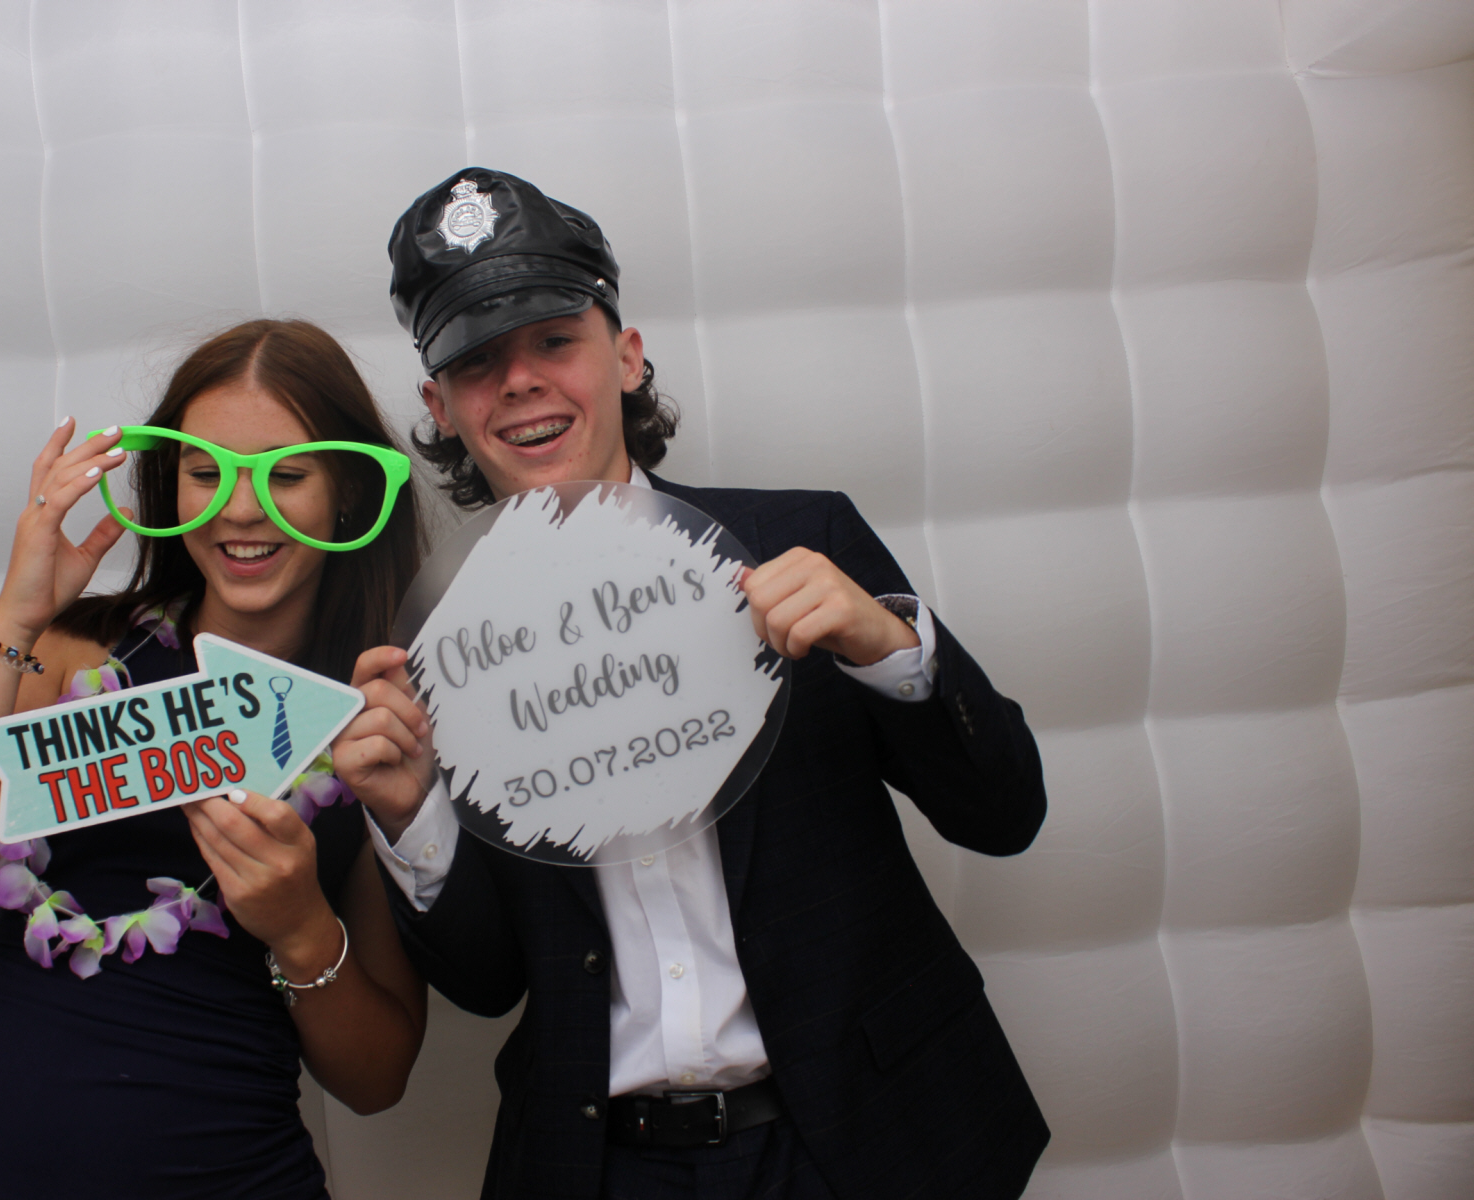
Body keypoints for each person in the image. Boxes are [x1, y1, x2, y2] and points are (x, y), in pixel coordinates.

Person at [331, 170, 1051, 1199]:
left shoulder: (801, 541)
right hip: (604, 1165)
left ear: (626, 356)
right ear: (440, 408)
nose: (520, 381)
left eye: (554, 340)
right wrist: (413, 821)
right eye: (477, 362)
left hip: (869, 1139)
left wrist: (887, 645)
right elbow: (488, 984)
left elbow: (1005, 812)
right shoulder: (439, 658)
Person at [0, 319, 428, 1199]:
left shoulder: (377, 724)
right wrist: (16, 616)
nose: (241, 509)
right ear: (169, 484)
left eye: (286, 474)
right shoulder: (76, 652)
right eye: (205, 472)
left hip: (225, 1169)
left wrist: (301, 926)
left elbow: (376, 1079)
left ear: (349, 489)